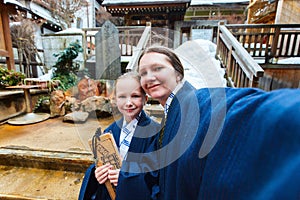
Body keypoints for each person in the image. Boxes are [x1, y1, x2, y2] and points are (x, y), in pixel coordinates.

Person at [137, 45, 300, 199]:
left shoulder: (197, 101)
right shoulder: (169, 116)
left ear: (178, 73)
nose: (149, 77)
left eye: (157, 68)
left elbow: (230, 110)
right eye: (143, 73)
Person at [79, 72, 160, 200]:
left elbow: (155, 174)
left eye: (135, 96)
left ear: (145, 99)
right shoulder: (109, 131)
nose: (128, 103)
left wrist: (126, 178)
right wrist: (98, 173)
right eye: (122, 96)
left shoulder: (155, 133)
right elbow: (101, 163)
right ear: (115, 100)